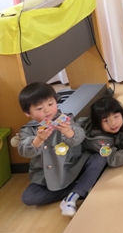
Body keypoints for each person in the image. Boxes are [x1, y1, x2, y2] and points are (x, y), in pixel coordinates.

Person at [17, 82, 107, 217]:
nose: (47, 110)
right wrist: (38, 140)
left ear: (56, 101)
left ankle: (75, 194)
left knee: (99, 158)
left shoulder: (65, 119)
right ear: (27, 113)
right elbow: (24, 150)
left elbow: (79, 137)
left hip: (73, 166)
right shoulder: (28, 130)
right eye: (39, 108)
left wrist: (69, 132)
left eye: (50, 104)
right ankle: (80, 188)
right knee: (28, 197)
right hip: (47, 176)